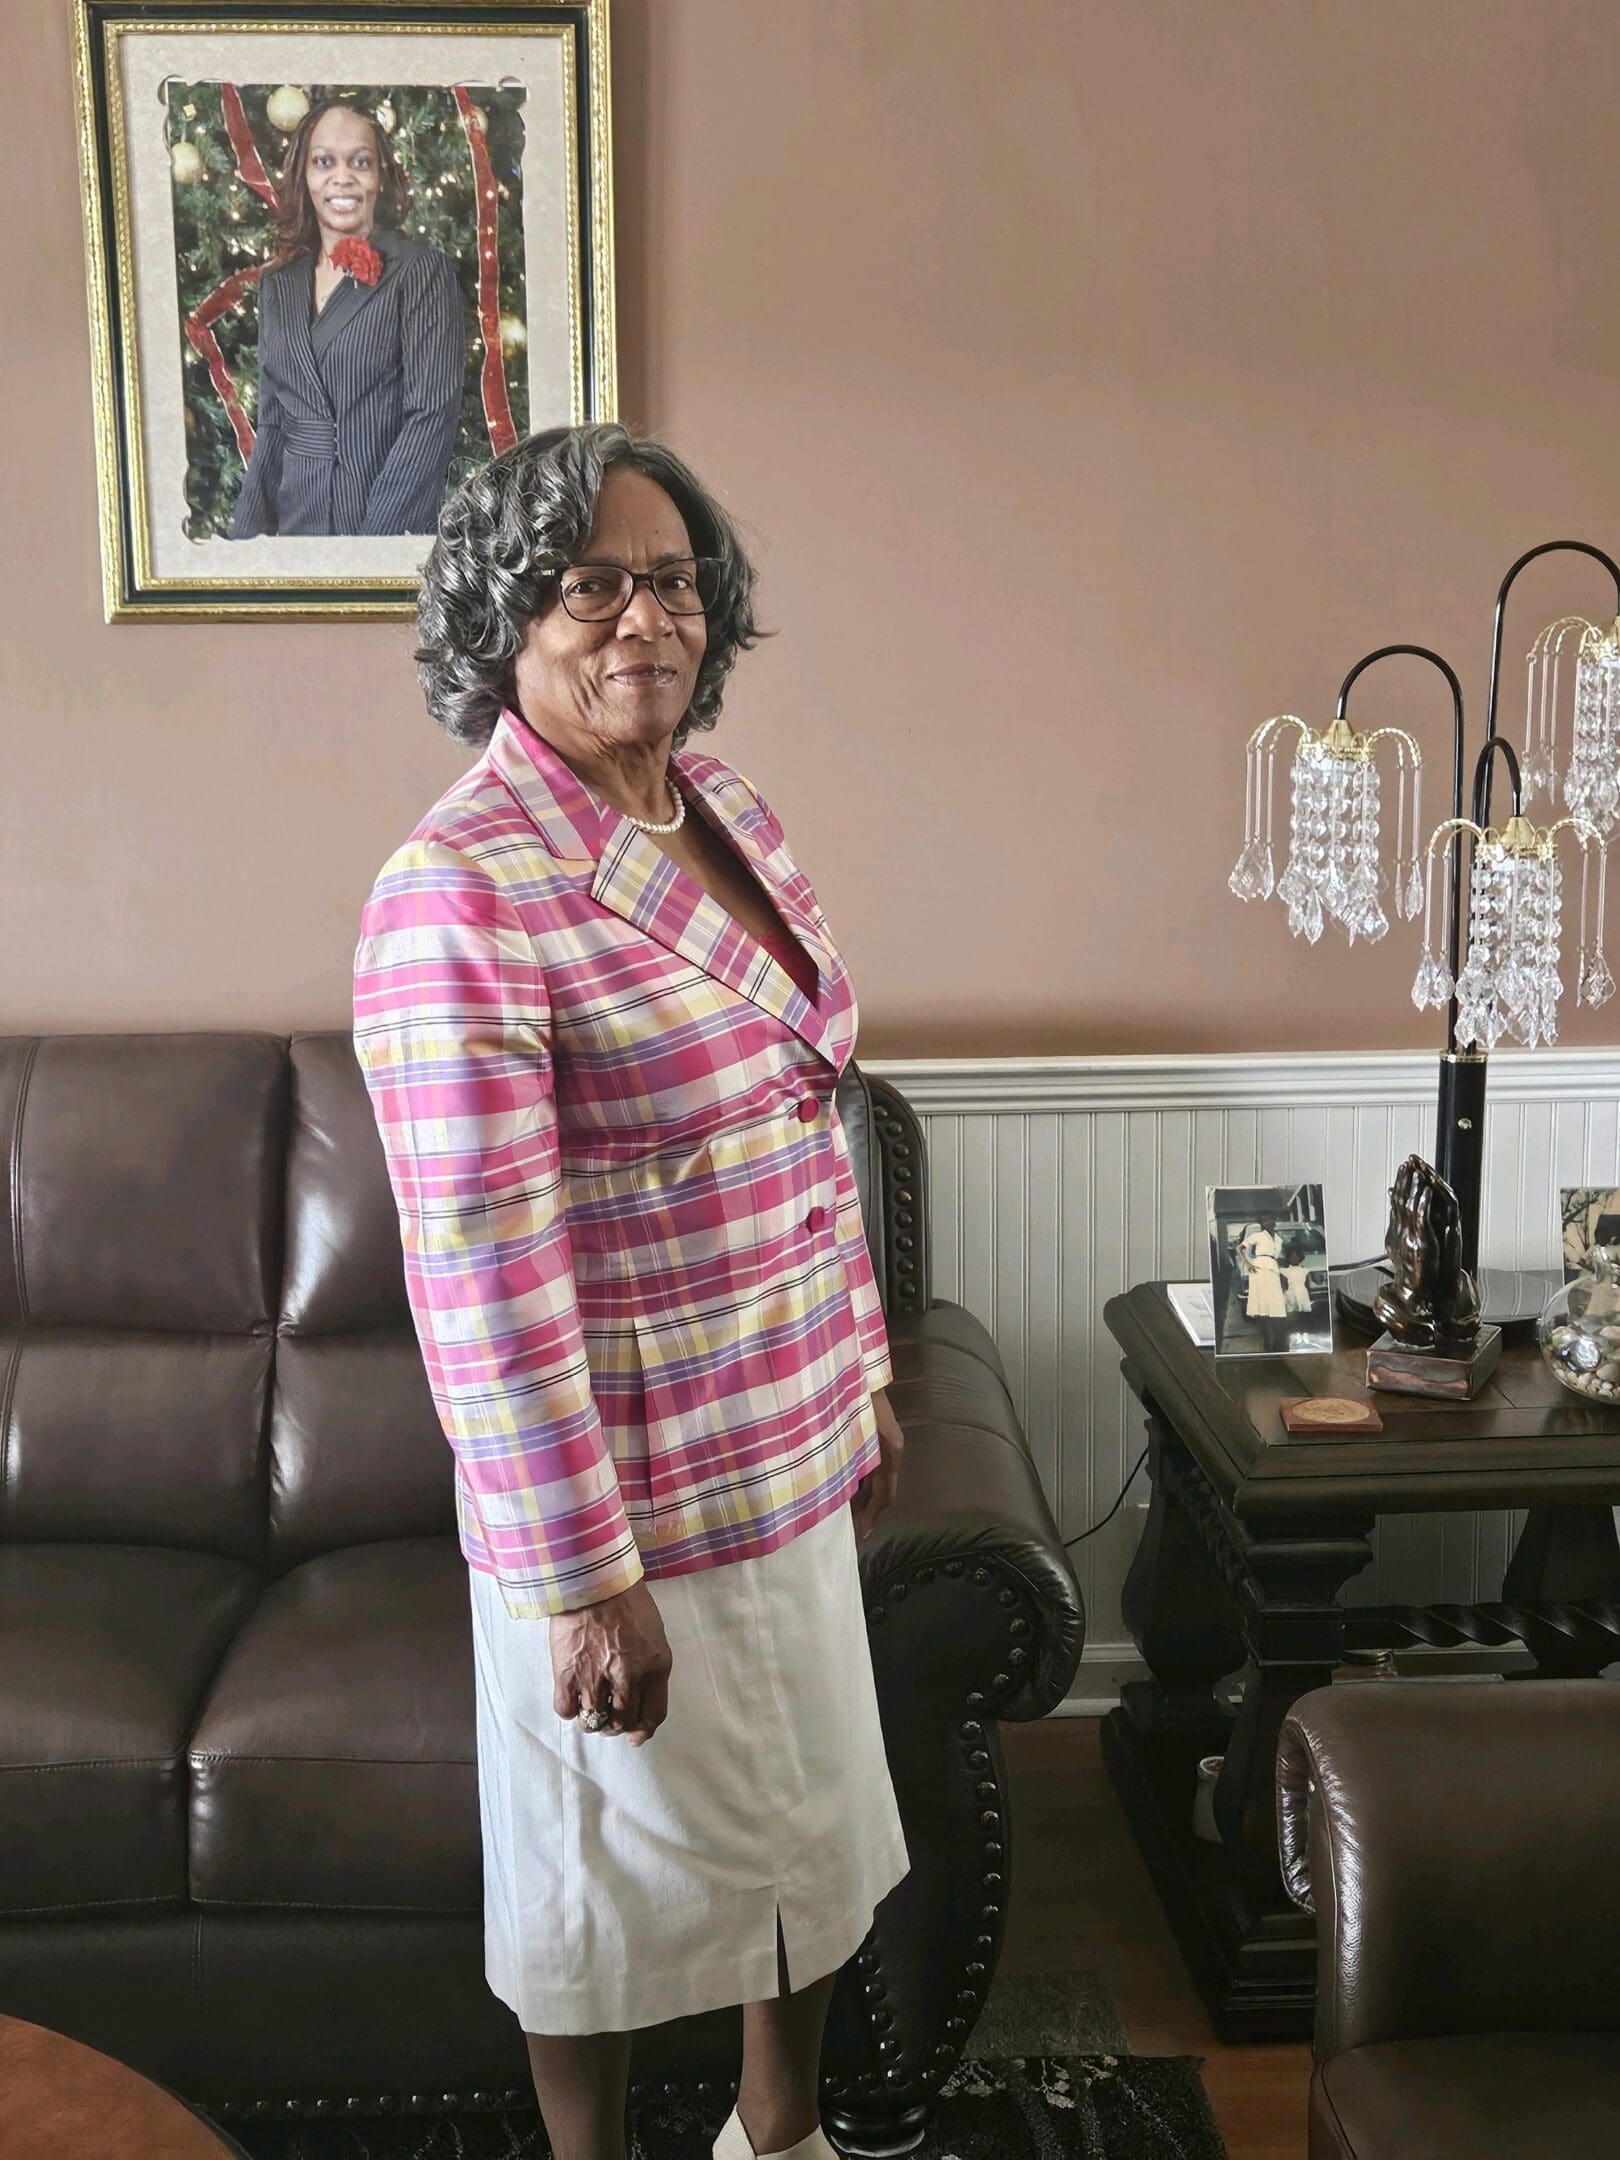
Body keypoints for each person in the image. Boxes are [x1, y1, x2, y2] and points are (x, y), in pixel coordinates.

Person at [352, 423, 909, 2160]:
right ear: (502, 618)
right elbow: (479, 1269)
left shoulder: (724, 806)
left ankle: (780, 2135)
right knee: (593, 1893)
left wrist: (861, 1366)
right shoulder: (457, 893)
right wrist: (586, 1578)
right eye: (588, 582)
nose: (639, 617)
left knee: (812, 1842)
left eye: (668, 578)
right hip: (628, 1498)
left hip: (786, 1443)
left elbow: (806, 1111)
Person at [228, 98, 465, 538]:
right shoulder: (277, 286)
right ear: (305, 176)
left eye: (360, 162)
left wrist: (371, 548)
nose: (343, 177)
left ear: (380, 178)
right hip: (294, 540)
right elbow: (273, 425)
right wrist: (241, 548)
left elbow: (431, 417)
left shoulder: (421, 273)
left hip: (380, 533)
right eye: (324, 162)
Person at [1239, 1209, 1290, 1350]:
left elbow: (1278, 1257)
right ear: (1261, 1223)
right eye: (1265, 1220)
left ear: (1275, 1220)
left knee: (1276, 1305)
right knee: (1263, 1306)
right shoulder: (1258, 1236)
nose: (1269, 1222)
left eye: (1271, 1219)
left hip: (1273, 1269)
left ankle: (1278, 1343)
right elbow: (1239, 1248)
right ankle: (1267, 1342)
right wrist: (1248, 1264)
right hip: (1260, 1269)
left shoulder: (1279, 1239)